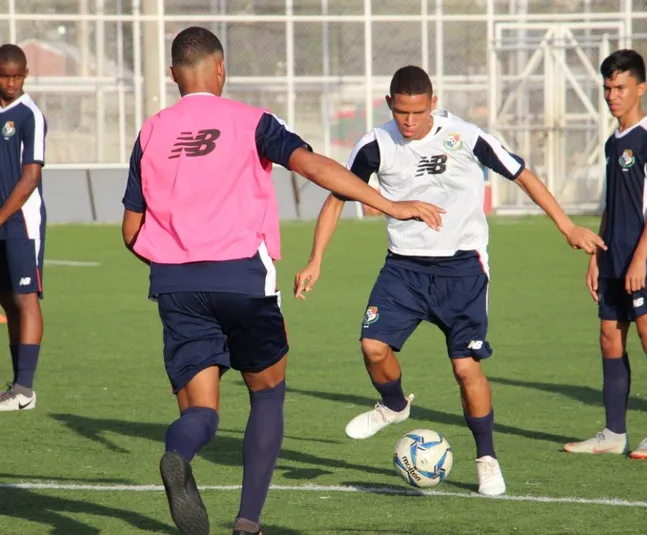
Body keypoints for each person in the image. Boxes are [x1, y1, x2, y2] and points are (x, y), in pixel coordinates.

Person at [121, 28, 444, 535]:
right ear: (221, 68)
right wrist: (389, 204)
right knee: (267, 394)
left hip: (176, 286)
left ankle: (178, 454)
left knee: (201, 412)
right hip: (243, 280)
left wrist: (175, 261)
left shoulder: (151, 132)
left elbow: (131, 231)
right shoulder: (252, 122)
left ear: (172, 75)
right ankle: (247, 522)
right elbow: (313, 167)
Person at [294, 65, 606, 496]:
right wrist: (315, 259)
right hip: (403, 268)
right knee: (372, 346)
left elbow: (521, 174)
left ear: (433, 104)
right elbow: (337, 198)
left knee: (465, 368)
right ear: (389, 104)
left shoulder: (465, 136)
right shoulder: (375, 145)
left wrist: (567, 226)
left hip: (462, 270)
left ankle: (486, 459)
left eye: (418, 112)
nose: (409, 121)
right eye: (401, 112)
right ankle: (394, 405)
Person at [564, 50, 647, 460]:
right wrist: (596, 254)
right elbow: (612, 204)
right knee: (609, 337)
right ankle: (613, 433)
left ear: (640, 89)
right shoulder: (613, 142)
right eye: (608, 87)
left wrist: (640, 257)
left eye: (621, 88)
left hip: (646, 258)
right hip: (613, 255)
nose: (612, 95)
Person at [0, 44, 47, 412]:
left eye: (17, 76)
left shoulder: (30, 115)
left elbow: (30, 178)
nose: (12, 83)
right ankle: (17, 389)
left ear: (26, 75)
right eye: (5, 76)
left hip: (22, 222)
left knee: (25, 299)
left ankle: (25, 388)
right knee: (7, 299)